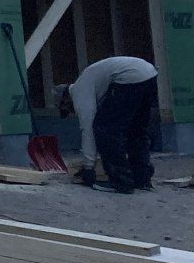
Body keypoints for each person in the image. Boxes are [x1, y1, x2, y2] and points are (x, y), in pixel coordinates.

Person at [58, 55, 159, 193]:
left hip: (129, 78)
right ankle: (142, 179)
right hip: (149, 74)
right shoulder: (92, 82)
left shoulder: (79, 91)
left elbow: (88, 129)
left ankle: (121, 182)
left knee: (106, 130)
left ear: (65, 99)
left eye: (68, 109)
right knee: (136, 130)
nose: (71, 111)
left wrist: (88, 167)